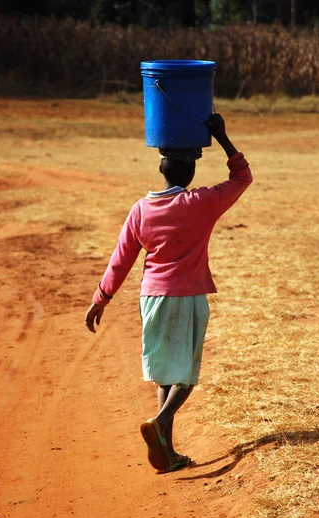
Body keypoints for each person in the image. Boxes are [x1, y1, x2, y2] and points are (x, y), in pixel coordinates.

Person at [85, 113, 252, 474]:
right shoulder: (199, 203)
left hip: (152, 298)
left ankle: (168, 452)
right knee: (186, 375)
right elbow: (242, 177)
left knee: (164, 374)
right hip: (188, 295)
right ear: (190, 174)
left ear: (161, 171)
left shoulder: (140, 210)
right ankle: (160, 423)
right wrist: (222, 137)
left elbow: (121, 259)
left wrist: (101, 298)